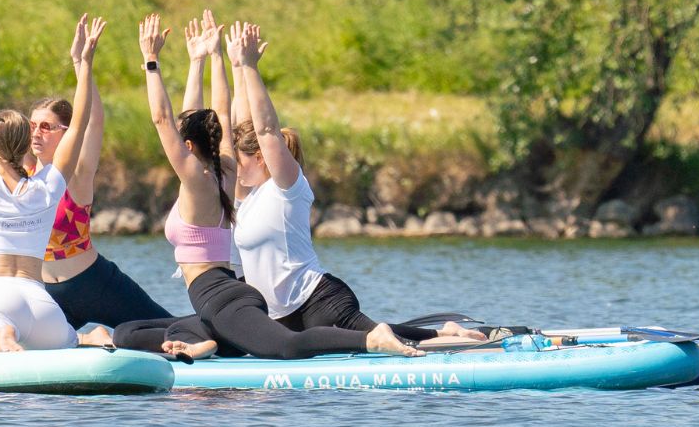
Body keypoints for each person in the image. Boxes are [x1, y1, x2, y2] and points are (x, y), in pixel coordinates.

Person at [113, 19, 484, 359]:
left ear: (189, 147)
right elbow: (219, 115)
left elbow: (165, 119)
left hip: (239, 297)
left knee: (288, 347)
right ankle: (204, 344)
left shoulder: (211, 182)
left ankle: (373, 340)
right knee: (128, 332)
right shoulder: (226, 173)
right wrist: (205, 60)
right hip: (234, 298)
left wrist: (151, 61)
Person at [0, 14, 171, 328]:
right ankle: (91, 340)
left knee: (170, 327)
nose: (36, 133)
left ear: (66, 132)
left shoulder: (76, 173)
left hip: (92, 283)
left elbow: (93, 122)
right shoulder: (18, 174)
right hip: (44, 294)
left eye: (46, 127)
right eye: (32, 125)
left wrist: (81, 63)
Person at [0, 13, 116, 353]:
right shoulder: (47, 187)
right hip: (41, 306)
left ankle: (2, 339)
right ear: (25, 142)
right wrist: (85, 64)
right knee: (70, 340)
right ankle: (88, 336)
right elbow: (81, 119)